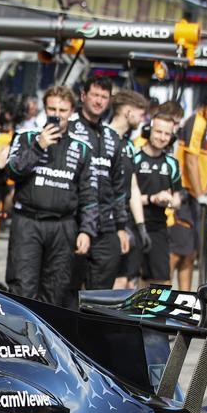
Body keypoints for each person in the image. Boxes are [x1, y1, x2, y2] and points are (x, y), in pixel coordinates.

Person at [4, 86, 97, 306]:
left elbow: (89, 193)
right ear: (44, 109)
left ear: (72, 111)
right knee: (21, 288)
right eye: (52, 108)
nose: (57, 114)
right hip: (27, 222)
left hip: (63, 226)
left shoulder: (82, 148)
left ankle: (48, 340)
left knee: (56, 289)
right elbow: (12, 171)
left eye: (62, 110)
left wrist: (87, 230)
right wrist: (39, 146)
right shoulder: (27, 138)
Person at [67, 78, 128, 291]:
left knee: (101, 294)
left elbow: (119, 186)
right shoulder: (70, 130)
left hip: (107, 227)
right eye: (94, 95)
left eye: (104, 97)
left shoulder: (112, 137)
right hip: (75, 223)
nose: (99, 101)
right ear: (83, 96)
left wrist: (121, 227)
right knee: (68, 290)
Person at [172, 96, 207, 290]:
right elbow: (191, 159)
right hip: (186, 193)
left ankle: (185, 298)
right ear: (202, 107)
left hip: (195, 195)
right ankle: (163, 292)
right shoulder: (197, 122)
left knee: (191, 251)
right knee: (178, 251)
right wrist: (200, 193)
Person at [126, 115, 181, 287]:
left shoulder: (172, 163)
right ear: (149, 130)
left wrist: (170, 201)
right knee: (128, 280)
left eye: (167, 133)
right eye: (158, 132)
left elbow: (178, 199)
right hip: (132, 224)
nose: (162, 137)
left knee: (161, 280)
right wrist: (152, 199)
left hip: (159, 226)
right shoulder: (134, 157)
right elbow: (126, 197)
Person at [106, 90, 149, 289]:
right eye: (140, 114)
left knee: (124, 280)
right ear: (128, 112)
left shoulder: (129, 146)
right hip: (106, 221)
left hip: (126, 220)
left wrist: (140, 226)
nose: (142, 119)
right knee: (103, 281)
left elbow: (133, 186)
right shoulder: (103, 138)